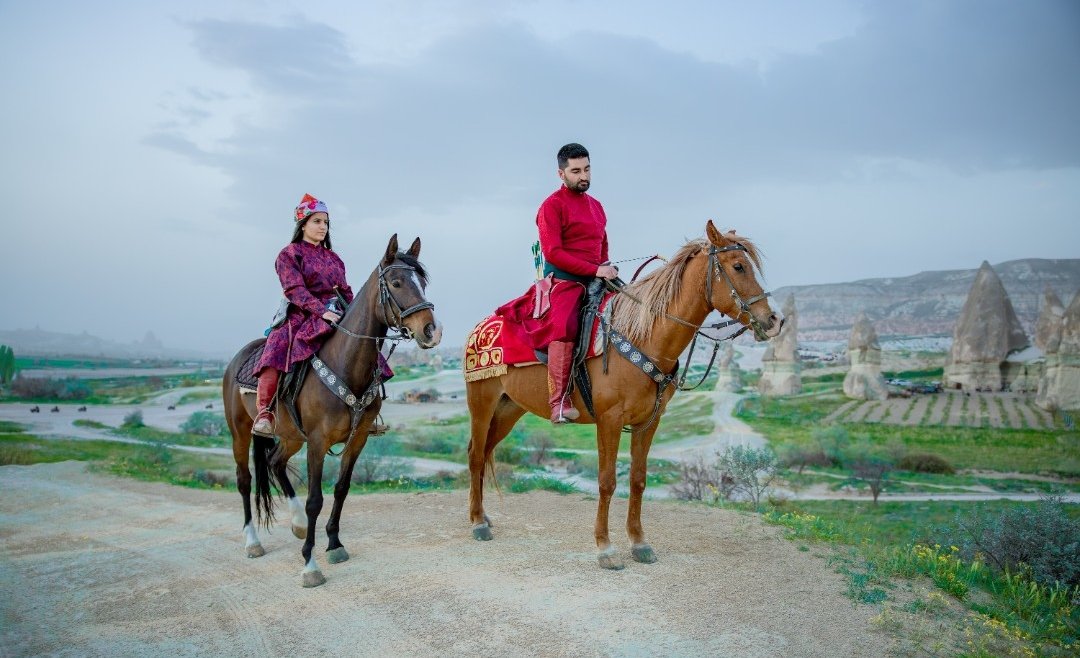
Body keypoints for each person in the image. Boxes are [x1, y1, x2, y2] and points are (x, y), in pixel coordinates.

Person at [496, 143, 618, 424]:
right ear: (561, 174)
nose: (583, 176)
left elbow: (602, 244)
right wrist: (595, 269)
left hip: (597, 276)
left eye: (586, 169)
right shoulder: (551, 206)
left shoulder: (597, 206)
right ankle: (559, 402)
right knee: (565, 325)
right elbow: (553, 253)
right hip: (564, 281)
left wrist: (605, 267)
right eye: (575, 171)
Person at [251, 194, 354, 437]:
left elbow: (346, 291)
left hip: (335, 313)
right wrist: (322, 312)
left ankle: (366, 409)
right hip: (300, 313)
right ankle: (265, 412)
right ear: (303, 224)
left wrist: (353, 313)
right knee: (276, 348)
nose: (323, 227)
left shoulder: (334, 259)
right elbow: (294, 290)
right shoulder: (289, 254)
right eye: (317, 221)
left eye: (325, 222)